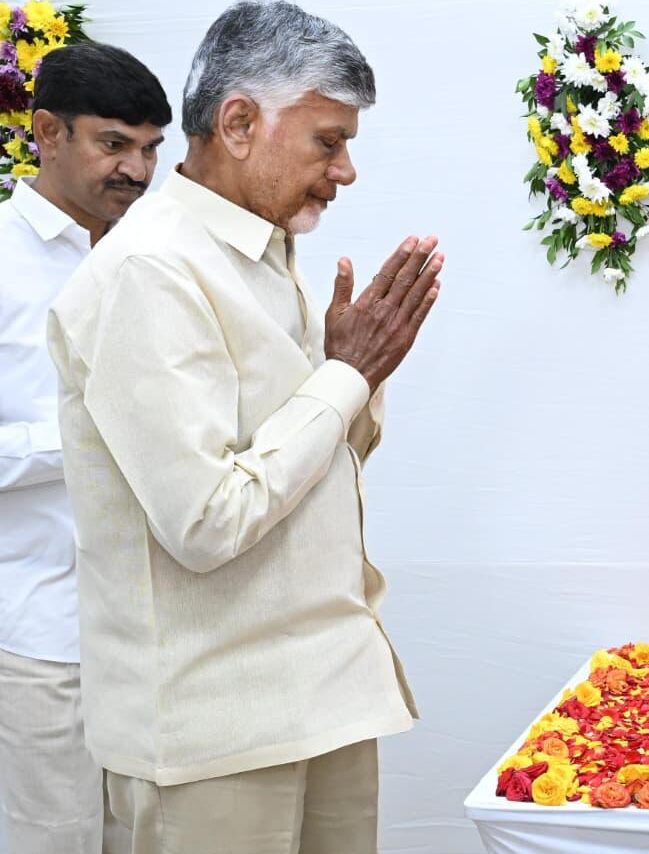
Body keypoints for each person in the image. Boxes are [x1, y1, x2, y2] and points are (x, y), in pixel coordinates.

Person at [46, 3, 443, 851]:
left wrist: (354, 384)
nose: (345, 172)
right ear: (237, 123)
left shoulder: (266, 253)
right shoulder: (150, 270)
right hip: (213, 731)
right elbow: (207, 520)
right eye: (328, 141)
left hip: (326, 695)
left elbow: (324, 463)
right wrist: (345, 376)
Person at [0, 42, 168, 854]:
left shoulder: (153, 261)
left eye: (150, 149)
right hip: (37, 636)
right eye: (114, 144)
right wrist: (84, 440)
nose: (136, 171)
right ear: (46, 133)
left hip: (151, 637)